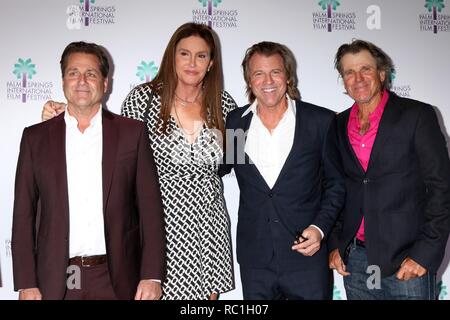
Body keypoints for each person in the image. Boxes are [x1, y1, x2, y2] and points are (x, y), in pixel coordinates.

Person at [41, 23, 237, 300]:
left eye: (201, 56)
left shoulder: (225, 105)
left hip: (208, 227)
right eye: (184, 54)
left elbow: (237, 159)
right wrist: (69, 113)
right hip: (158, 225)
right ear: (172, 57)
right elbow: (113, 137)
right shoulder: (143, 99)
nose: (192, 63)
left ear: (212, 62)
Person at [12, 41, 165, 300]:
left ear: (105, 84)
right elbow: (23, 214)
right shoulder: (35, 138)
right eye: (73, 73)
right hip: (56, 280)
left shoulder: (132, 134)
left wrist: (151, 276)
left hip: (115, 278)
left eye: (91, 74)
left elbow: (150, 209)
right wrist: (27, 282)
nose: (82, 80)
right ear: (63, 81)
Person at [220, 41, 345, 299]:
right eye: (258, 73)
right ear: (249, 80)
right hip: (256, 260)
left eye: (275, 71)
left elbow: (336, 184)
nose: (268, 80)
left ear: (288, 76)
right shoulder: (236, 122)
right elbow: (223, 167)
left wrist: (320, 229)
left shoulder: (319, 121)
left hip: (306, 257)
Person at [328, 39, 450, 300]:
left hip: (406, 260)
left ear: (382, 73)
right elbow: (338, 187)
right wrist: (338, 244)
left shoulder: (417, 115)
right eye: (349, 72)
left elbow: (442, 187)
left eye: (365, 69)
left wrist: (424, 253)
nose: (357, 78)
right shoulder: (337, 125)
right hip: (357, 260)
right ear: (343, 80)